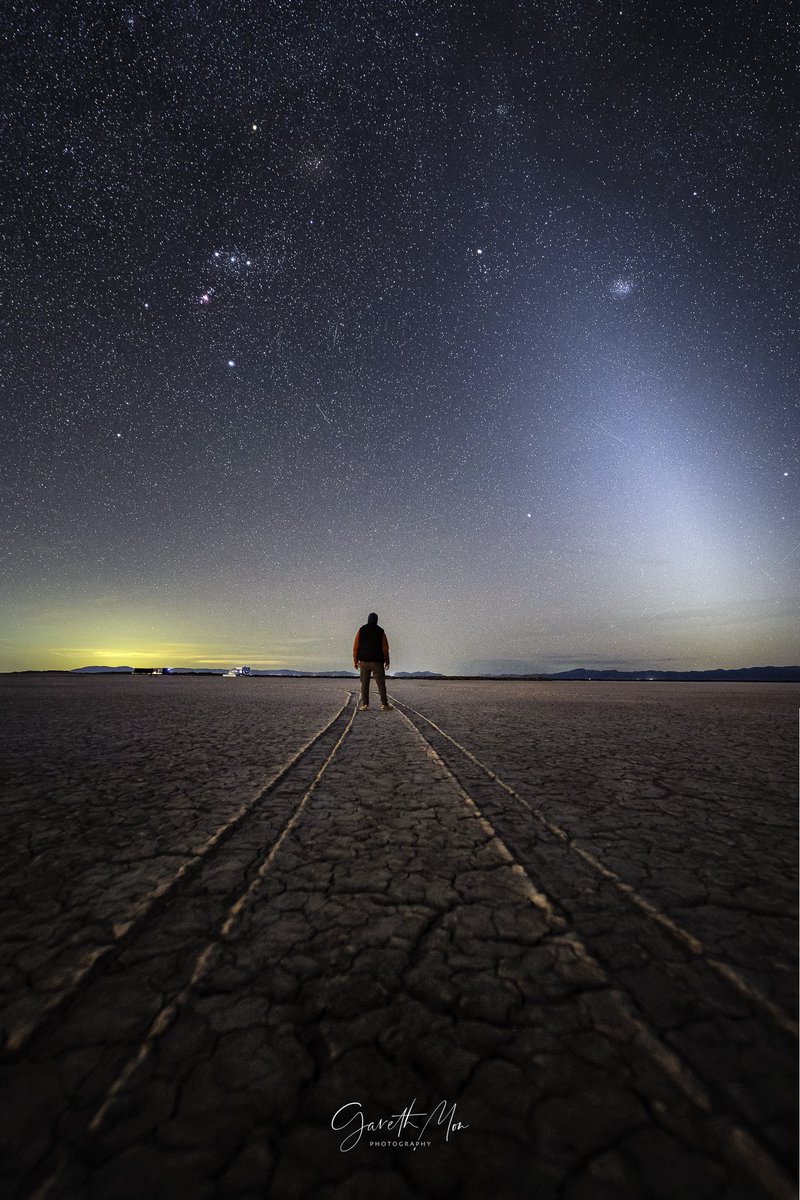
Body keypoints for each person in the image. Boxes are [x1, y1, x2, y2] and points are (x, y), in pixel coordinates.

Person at [352, 612, 392, 710]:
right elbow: (385, 648)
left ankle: (365, 704)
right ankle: (384, 704)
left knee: (364, 684)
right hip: (377, 662)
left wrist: (355, 660)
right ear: (376, 620)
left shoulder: (361, 630)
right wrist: (387, 660)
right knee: (381, 684)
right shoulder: (380, 631)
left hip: (364, 662)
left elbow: (355, 647)